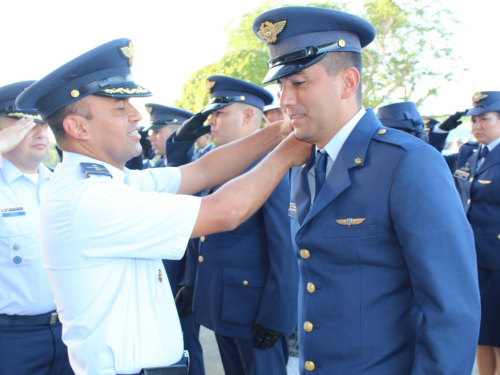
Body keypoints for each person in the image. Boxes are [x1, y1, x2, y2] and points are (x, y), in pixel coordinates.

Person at [15, 38, 311, 375]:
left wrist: (281, 131)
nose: (136, 116)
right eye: (119, 107)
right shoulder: (89, 199)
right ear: (77, 127)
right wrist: (288, 151)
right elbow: (224, 212)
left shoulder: (109, 183)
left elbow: (201, 171)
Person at [252, 6, 480, 374]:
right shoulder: (305, 163)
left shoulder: (407, 163)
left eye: (299, 83)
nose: (285, 100)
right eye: (281, 85)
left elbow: (451, 309)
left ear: (347, 81)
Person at [169, 75, 298, 375]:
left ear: (249, 116)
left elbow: (284, 246)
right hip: (221, 303)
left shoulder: (271, 162)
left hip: (254, 311)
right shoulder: (217, 161)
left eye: (219, 113)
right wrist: (191, 280)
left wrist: (277, 314)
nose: (211, 121)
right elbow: (194, 217)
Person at [0, 81, 73, 374]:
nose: (38, 130)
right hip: (12, 340)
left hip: (71, 332)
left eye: (42, 121)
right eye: (24, 122)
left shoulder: (65, 185)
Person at [429, 92, 500, 375]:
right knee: (480, 329)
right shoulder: (469, 153)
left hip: (496, 261)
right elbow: (430, 156)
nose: (477, 125)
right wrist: (444, 127)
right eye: (473, 120)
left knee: (497, 331)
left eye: (485, 119)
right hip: (467, 257)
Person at [146, 103, 207, 375]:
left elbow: (195, 232)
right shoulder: (158, 166)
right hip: (162, 276)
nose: (152, 136)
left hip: (180, 278)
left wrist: (189, 281)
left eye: (158, 130)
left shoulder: (193, 169)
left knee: (186, 349)